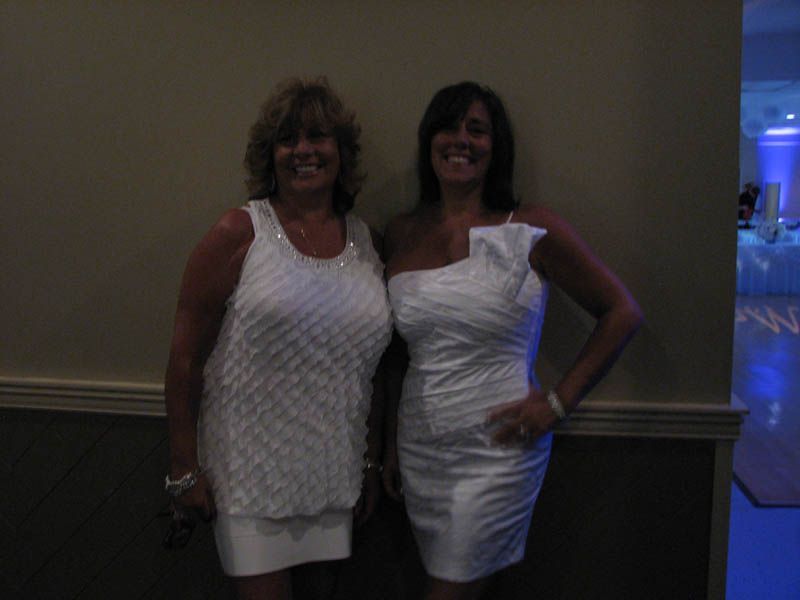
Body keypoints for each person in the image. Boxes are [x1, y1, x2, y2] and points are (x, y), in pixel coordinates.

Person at [381, 82, 642, 600]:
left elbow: (621, 312)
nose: (461, 140)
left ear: (496, 147)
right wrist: (389, 440)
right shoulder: (401, 232)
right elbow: (395, 353)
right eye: (448, 128)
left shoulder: (530, 227)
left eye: (476, 130)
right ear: (427, 142)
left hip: (498, 445)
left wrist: (557, 403)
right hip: (421, 446)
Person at [164, 77, 393, 600]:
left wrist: (371, 460)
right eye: (287, 139)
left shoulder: (368, 243)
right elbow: (185, 361)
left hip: (334, 472)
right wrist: (182, 468)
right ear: (270, 155)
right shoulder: (238, 233)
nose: (303, 151)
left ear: (341, 151)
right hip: (246, 474)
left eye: (318, 136)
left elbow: (373, 369)